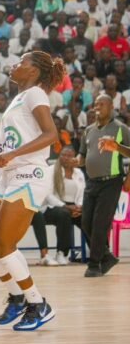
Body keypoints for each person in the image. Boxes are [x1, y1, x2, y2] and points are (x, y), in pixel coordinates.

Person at [0, 50, 66, 331]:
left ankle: (38, 303)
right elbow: (17, 137)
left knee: (4, 244)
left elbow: (51, 135)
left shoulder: (36, 94)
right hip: (8, 175)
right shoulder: (20, 97)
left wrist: (12, 154)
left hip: (29, 174)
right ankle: (16, 295)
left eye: (21, 62)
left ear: (34, 71)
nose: (14, 65)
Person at [74, 94, 129, 277]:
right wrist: (76, 161)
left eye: (102, 104)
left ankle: (94, 264)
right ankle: (107, 257)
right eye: (96, 104)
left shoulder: (121, 128)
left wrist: (117, 147)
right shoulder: (88, 130)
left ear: (111, 107)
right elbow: (82, 156)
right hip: (91, 182)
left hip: (111, 182)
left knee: (99, 224)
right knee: (85, 222)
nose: (97, 107)